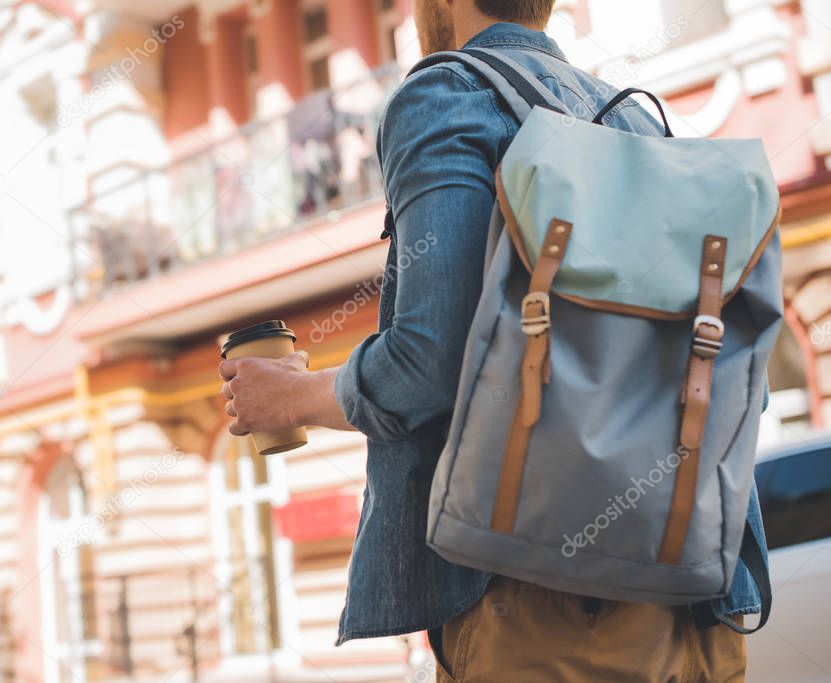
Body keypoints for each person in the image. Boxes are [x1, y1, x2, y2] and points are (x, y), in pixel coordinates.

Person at [219, 2, 768, 680]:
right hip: (700, 598)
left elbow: (431, 359)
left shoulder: (447, 92)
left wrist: (294, 397)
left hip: (541, 606)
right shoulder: (632, 118)